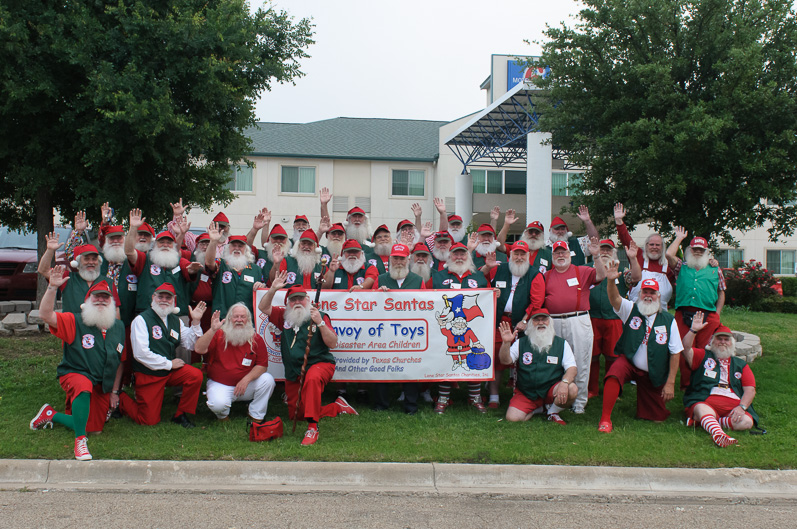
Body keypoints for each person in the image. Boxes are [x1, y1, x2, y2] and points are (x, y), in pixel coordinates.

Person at [29, 268, 125, 461]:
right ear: (87, 301)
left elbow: (120, 362)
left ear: (111, 302)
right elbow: (46, 315)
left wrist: (114, 392)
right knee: (83, 386)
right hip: (74, 373)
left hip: (100, 383)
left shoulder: (118, 327)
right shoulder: (75, 320)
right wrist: (52, 287)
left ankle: (51, 414)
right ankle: (80, 442)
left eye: (105, 298)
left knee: (95, 429)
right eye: (96, 297)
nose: (100, 300)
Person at [258, 274, 358, 446]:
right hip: (294, 372)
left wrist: (320, 323)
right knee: (296, 415)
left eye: (301, 299)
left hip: (320, 365)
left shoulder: (320, 315)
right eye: (293, 299)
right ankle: (337, 407)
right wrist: (273, 289)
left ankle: (312, 428)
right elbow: (263, 307)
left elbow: (333, 343)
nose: (297, 302)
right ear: (287, 303)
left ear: (308, 300)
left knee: (312, 378)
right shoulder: (283, 317)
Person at [598, 267, 682, 433]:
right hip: (630, 363)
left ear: (659, 296)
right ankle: (605, 419)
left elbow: (675, 352)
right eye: (645, 292)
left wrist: (670, 382)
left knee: (657, 418)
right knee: (615, 372)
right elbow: (614, 299)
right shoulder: (630, 309)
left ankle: (648, 401)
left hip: (653, 372)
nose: (648, 296)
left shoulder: (668, 320)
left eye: (652, 293)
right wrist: (610, 280)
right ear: (639, 294)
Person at [118, 283, 206, 428]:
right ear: (153, 298)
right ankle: (120, 398)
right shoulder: (141, 320)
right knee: (147, 421)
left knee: (195, 375)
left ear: (174, 300)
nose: (164, 300)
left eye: (168, 297)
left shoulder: (175, 320)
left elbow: (190, 344)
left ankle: (180, 414)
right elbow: (140, 353)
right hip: (148, 374)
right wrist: (169, 364)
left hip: (168, 372)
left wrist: (195, 322)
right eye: (160, 296)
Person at [541, 238, 604, 413]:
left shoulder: (581, 271)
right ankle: (555, 397)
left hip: (578, 319)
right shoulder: (546, 276)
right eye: (557, 253)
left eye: (564, 252)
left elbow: (601, 275)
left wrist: (596, 255)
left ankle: (579, 402)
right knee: (553, 360)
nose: (561, 255)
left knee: (581, 359)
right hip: (553, 321)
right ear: (552, 256)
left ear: (570, 254)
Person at [429, 242, 490, 413]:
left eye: (463, 254)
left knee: (475, 359)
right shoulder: (438, 276)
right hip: (447, 329)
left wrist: (494, 294)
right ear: (449, 257)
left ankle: (475, 397)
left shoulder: (478, 277)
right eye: (455, 254)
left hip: (472, 328)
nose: (459, 257)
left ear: (468, 257)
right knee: (446, 361)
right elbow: (424, 295)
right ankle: (443, 398)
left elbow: (486, 300)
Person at [681, 313, 758, 447]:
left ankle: (705, 422)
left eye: (726, 339)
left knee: (747, 422)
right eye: (719, 339)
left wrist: (742, 407)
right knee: (701, 409)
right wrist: (693, 330)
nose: (722, 342)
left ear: (732, 343)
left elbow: (750, 390)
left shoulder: (740, 365)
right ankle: (719, 434)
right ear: (712, 341)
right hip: (707, 401)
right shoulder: (703, 355)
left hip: (733, 405)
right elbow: (686, 349)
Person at [485, 240, 545, 408]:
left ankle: (520, 395)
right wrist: (491, 289)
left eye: (522, 254)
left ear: (528, 256)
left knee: (523, 359)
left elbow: (537, 301)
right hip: (499, 320)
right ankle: (494, 396)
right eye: (516, 254)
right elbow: (483, 284)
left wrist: (525, 320)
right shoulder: (500, 269)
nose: (519, 257)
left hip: (522, 321)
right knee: (497, 357)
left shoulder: (534, 274)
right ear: (510, 255)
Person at [194, 303, 276, 424]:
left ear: (248, 319)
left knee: (268, 380)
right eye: (235, 317)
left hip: (245, 386)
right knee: (218, 405)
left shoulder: (256, 338)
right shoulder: (218, 334)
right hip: (220, 384)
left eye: (242, 317)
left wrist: (246, 379)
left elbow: (262, 366)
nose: (239, 320)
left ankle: (255, 414)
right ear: (229, 319)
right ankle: (223, 415)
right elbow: (199, 349)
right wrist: (212, 329)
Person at [497, 309, 577, 424]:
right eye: (536, 320)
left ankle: (552, 411)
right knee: (512, 418)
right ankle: (541, 409)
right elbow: (505, 361)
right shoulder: (521, 342)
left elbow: (572, 368)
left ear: (550, 322)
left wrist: (564, 382)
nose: (541, 323)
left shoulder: (561, 343)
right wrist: (506, 343)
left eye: (544, 319)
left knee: (572, 388)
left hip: (552, 389)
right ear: (530, 324)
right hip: (527, 392)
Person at [373, 244, 426, 414]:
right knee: (382, 366)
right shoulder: (381, 279)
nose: (398, 261)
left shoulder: (418, 280)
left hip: (409, 333)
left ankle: (411, 405)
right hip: (385, 331)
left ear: (408, 259)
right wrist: (378, 294)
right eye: (395, 258)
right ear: (390, 259)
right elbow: (370, 305)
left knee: (409, 367)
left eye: (402, 258)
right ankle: (381, 404)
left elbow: (426, 305)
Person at [588, 239, 642, 397]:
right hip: (591, 318)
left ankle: (614, 390)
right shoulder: (588, 269)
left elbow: (636, 277)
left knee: (614, 356)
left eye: (608, 250)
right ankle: (592, 389)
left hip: (614, 319)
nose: (604, 252)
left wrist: (633, 258)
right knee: (592, 356)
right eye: (602, 249)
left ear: (614, 253)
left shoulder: (621, 270)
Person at [666, 227, 726, 351]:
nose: (698, 252)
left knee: (703, 349)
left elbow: (721, 292)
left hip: (708, 314)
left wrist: (717, 314)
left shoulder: (715, 269)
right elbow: (668, 255)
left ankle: (701, 370)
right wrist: (679, 238)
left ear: (706, 251)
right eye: (695, 249)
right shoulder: (681, 267)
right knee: (683, 348)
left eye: (701, 250)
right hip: (683, 313)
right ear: (689, 250)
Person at [614, 203, 676, 309]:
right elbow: (625, 239)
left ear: (663, 247)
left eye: (658, 245)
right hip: (636, 310)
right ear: (646, 246)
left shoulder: (669, 264)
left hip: (661, 313)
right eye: (651, 244)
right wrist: (619, 222)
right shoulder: (638, 255)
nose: (654, 247)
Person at [205, 225, 265, 317]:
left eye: (240, 246)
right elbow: (209, 263)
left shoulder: (256, 269)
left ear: (246, 250)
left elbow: (263, 293)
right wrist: (213, 242)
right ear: (228, 248)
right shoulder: (221, 264)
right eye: (233, 245)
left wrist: (262, 287)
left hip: (247, 319)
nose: (237, 248)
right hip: (222, 318)